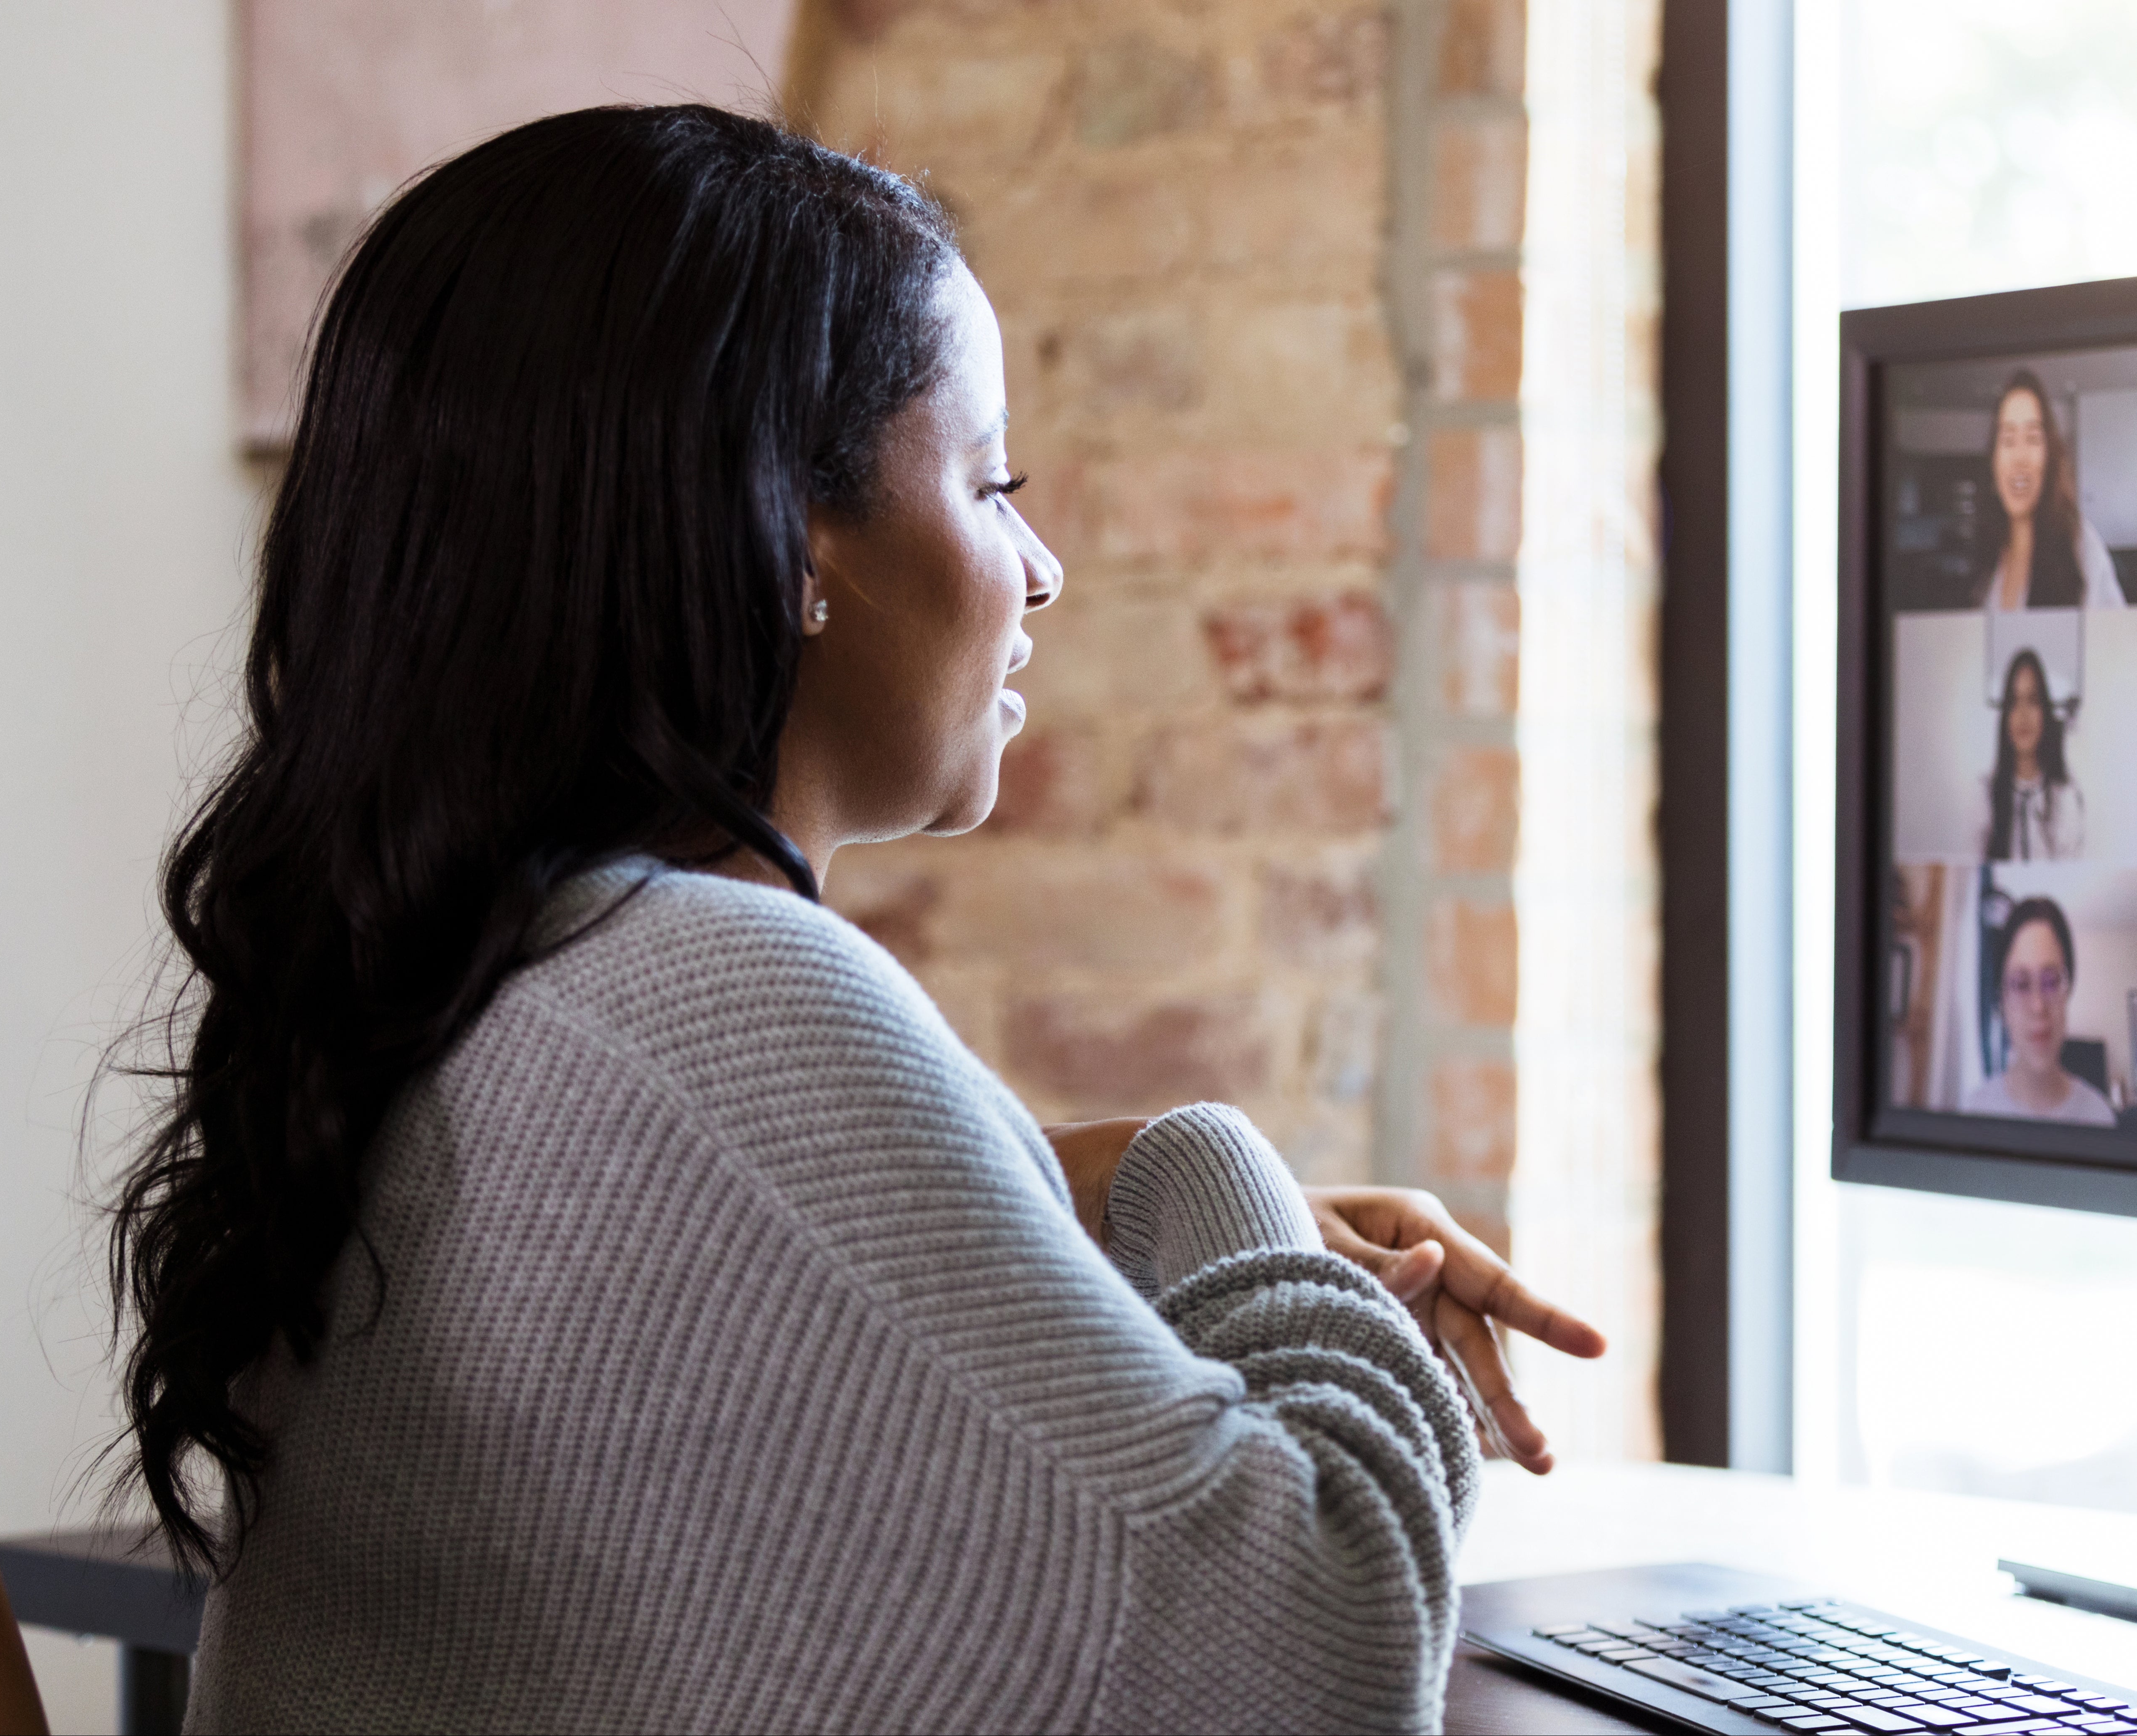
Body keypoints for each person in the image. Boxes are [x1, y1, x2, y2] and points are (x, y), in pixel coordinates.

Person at [107, 107, 1604, 1735]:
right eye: (989, 481)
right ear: (792, 530)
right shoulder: (709, 987)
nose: (1036, 572)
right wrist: (1204, 1163)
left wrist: (1037, 1186)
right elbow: (1312, 1656)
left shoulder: (462, 985)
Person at [1972, 368, 2127, 610]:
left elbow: (2115, 642)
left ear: (2049, 458)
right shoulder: (1988, 555)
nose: (2020, 457)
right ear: (1994, 461)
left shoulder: (2081, 546)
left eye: (2033, 438)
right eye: (2008, 440)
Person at [1962, 897, 2116, 1125]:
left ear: (2068, 990)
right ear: (2002, 1001)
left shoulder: (2100, 1118)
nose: (2038, 1007)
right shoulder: (1974, 1114)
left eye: (2051, 982)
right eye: (2021, 984)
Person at [1981, 648, 2085, 860]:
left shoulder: (2066, 797)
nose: (2023, 715)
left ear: (2045, 712)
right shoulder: (1984, 796)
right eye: (2014, 702)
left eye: (2032, 700)